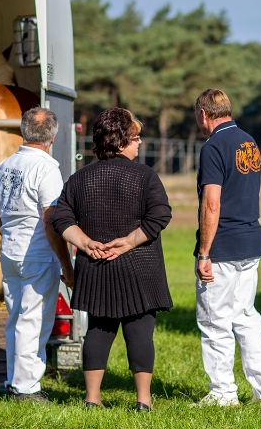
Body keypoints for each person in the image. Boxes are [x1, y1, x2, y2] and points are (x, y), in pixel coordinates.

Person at [51, 108, 173, 412]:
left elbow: (61, 217)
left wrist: (86, 243)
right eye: (135, 138)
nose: (140, 143)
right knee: (140, 331)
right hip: (140, 267)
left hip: (96, 266)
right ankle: (143, 401)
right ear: (120, 142)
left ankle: (92, 399)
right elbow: (160, 215)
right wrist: (129, 242)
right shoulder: (145, 176)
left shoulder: (80, 178)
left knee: (98, 331)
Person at [191, 88, 261, 407]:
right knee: (246, 316)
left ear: (203, 114)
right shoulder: (248, 141)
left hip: (223, 245)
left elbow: (211, 203)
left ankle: (223, 393)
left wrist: (204, 253)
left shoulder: (214, 146)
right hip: (250, 240)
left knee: (214, 320)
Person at [0, 107, 74, 403]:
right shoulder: (46, 167)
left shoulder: (8, 164)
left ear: (24, 131)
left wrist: (4, 227)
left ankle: (13, 380)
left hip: (9, 250)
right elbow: (50, 218)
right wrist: (65, 262)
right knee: (34, 321)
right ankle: (27, 388)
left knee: (16, 317)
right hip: (37, 253)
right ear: (53, 137)